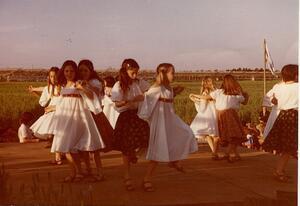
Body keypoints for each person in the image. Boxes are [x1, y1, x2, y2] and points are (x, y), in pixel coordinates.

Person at [138, 63, 198, 192]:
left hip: (170, 120)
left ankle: (174, 161)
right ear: (164, 74)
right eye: (172, 73)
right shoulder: (156, 88)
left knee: (186, 133)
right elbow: (147, 103)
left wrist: (175, 91)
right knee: (158, 151)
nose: (174, 75)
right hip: (160, 123)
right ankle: (146, 179)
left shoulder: (167, 88)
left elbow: (166, 100)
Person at [50, 60, 105, 182]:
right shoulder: (64, 86)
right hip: (66, 118)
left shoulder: (79, 83)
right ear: (63, 72)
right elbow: (61, 103)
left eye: (71, 71)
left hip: (79, 117)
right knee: (66, 146)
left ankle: (89, 172)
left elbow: (91, 96)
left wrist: (82, 87)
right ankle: (76, 172)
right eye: (66, 71)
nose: (69, 73)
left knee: (87, 145)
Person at [111, 58, 150, 191]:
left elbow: (149, 92)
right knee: (126, 147)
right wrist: (128, 100)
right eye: (132, 72)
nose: (135, 75)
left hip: (138, 115)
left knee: (147, 138)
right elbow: (116, 103)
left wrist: (143, 96)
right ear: (126, 71)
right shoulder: (119, 85)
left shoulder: (139, 82)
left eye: (136, 72)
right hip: (126, 116)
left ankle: (134, 152)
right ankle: (127, 175)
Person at [194, 74, 249, 162]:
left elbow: (206, 97)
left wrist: (194, 96)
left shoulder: (218, 92)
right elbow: (245, 102)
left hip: (220, 115)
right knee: (235, 136)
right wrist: (246, 94)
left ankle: (232, 154)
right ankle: (228, 154)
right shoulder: (236, 94)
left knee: (227, 135)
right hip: (231, 115)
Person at [262, 64, 298, 182]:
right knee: (289, 148)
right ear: (296, 75)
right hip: (294, 116)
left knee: (287, 148)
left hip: (283, 116)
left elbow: (268, 99)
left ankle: (280, 170)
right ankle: (279, 171)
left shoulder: (278, 87)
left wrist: (274, 101)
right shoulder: (298, 87)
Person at [29, 67, 63, 165]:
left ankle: (60, 156)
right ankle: (58, 156)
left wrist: (53, 107)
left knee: (60, 134)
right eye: (51, 76)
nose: (53, 78)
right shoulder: (49, 88)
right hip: (52, 113)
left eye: (55, 76)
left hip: (62, 111)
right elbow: (43, 92)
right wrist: (33, 90)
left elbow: (66, 102)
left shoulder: (64, 87)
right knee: (56, 133)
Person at [189, 76, 219, 160]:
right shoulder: (217, 91)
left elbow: (202, 108)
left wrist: (194, 100)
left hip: (207, 115)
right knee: (214, 134)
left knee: (208, 135)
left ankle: (214, 152)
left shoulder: (205, 92)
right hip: (215, 112)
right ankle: (214, 152)